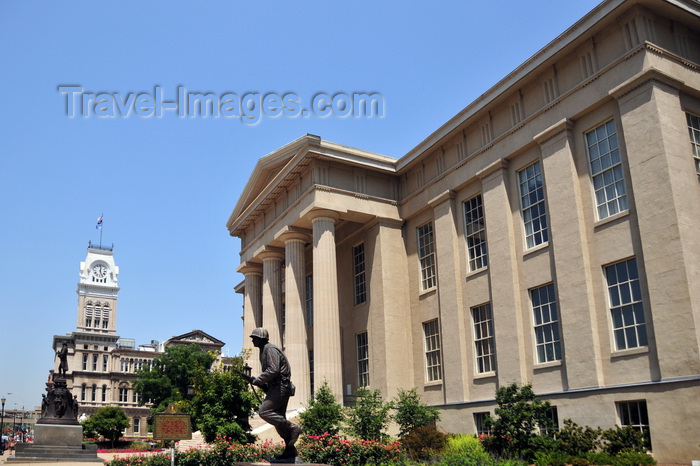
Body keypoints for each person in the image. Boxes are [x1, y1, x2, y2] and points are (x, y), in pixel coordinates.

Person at [245, 327, 302, 461]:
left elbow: (273, 369)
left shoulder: (270, 349)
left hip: (281, 387)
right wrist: (260, 383)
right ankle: (290, 450)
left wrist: (259, 379)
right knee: (279, 421)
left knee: (264, 412)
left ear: (261, 339)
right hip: (277, 387)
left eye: (254, 338)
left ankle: (293, 427)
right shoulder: (264, 350)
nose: (252, 340)